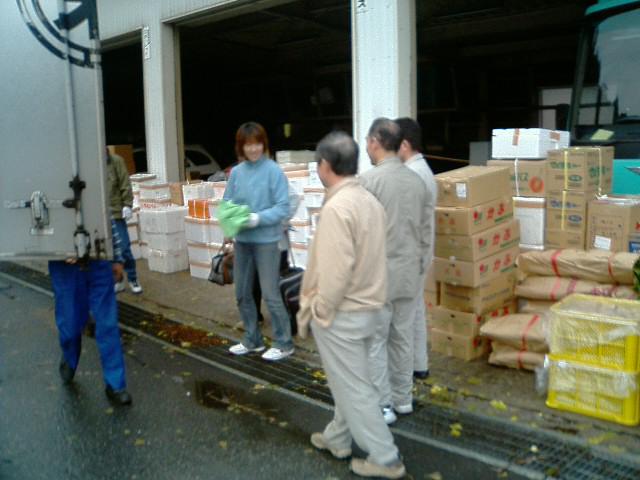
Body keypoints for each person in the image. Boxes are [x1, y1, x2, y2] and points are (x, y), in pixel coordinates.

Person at [298, 131, 405, 479]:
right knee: (351, 380)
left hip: (344, 313)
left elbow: (335, 272)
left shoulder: (337, 208)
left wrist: (320, 309)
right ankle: (337, 438)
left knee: (355, 388)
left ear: (324, 165)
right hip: (371, 307)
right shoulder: (368, 201)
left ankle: (386, 458)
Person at [360, 118, 430, 425]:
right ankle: (403, 399)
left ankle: (383, 404)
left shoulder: (368, 182)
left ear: (375, 142)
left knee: (375, 340)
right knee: (402, 337)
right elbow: (424, 233)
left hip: (378, 275)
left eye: (367, 140)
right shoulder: (417, 181)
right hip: (409, 272)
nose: (366, 146)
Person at [223, 122, 294, 361]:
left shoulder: (273, 171)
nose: (253, 149)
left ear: (263, 145)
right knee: (242, 292)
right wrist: (228, 226)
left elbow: (283, 207)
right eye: (248, 145)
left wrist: (258, 218)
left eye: (257, 144)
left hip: (267, 241)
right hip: (242, 240)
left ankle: (284, 343)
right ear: (241, 147)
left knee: (270, 294)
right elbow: (228, 203)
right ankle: (252, 339)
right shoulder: (236, 172)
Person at [50, 259, 132, 406]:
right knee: (70, 325)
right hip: (65, 267)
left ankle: (115, 384)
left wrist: (119, 259)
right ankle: (70, 355)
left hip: (99, 261)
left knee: (107, 324)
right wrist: (65, 252)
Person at [395, 117, 437, 380]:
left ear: (404, 145)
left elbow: (406, 221)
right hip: (421, 250)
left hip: (412, 252)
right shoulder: (423, 170)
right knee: (415, 310)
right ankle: (419, 364)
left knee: (404, 316)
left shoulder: (413, 174)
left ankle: (408, 368)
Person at [107, 151, 142, 294]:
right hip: (99, 214)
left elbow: (125, 184)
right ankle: (118, 279)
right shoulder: (91, 163)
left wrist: (127, 204)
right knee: (108, 251)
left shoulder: (116, 161)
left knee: (124, 247)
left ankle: (133, 278)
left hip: (115, 212)